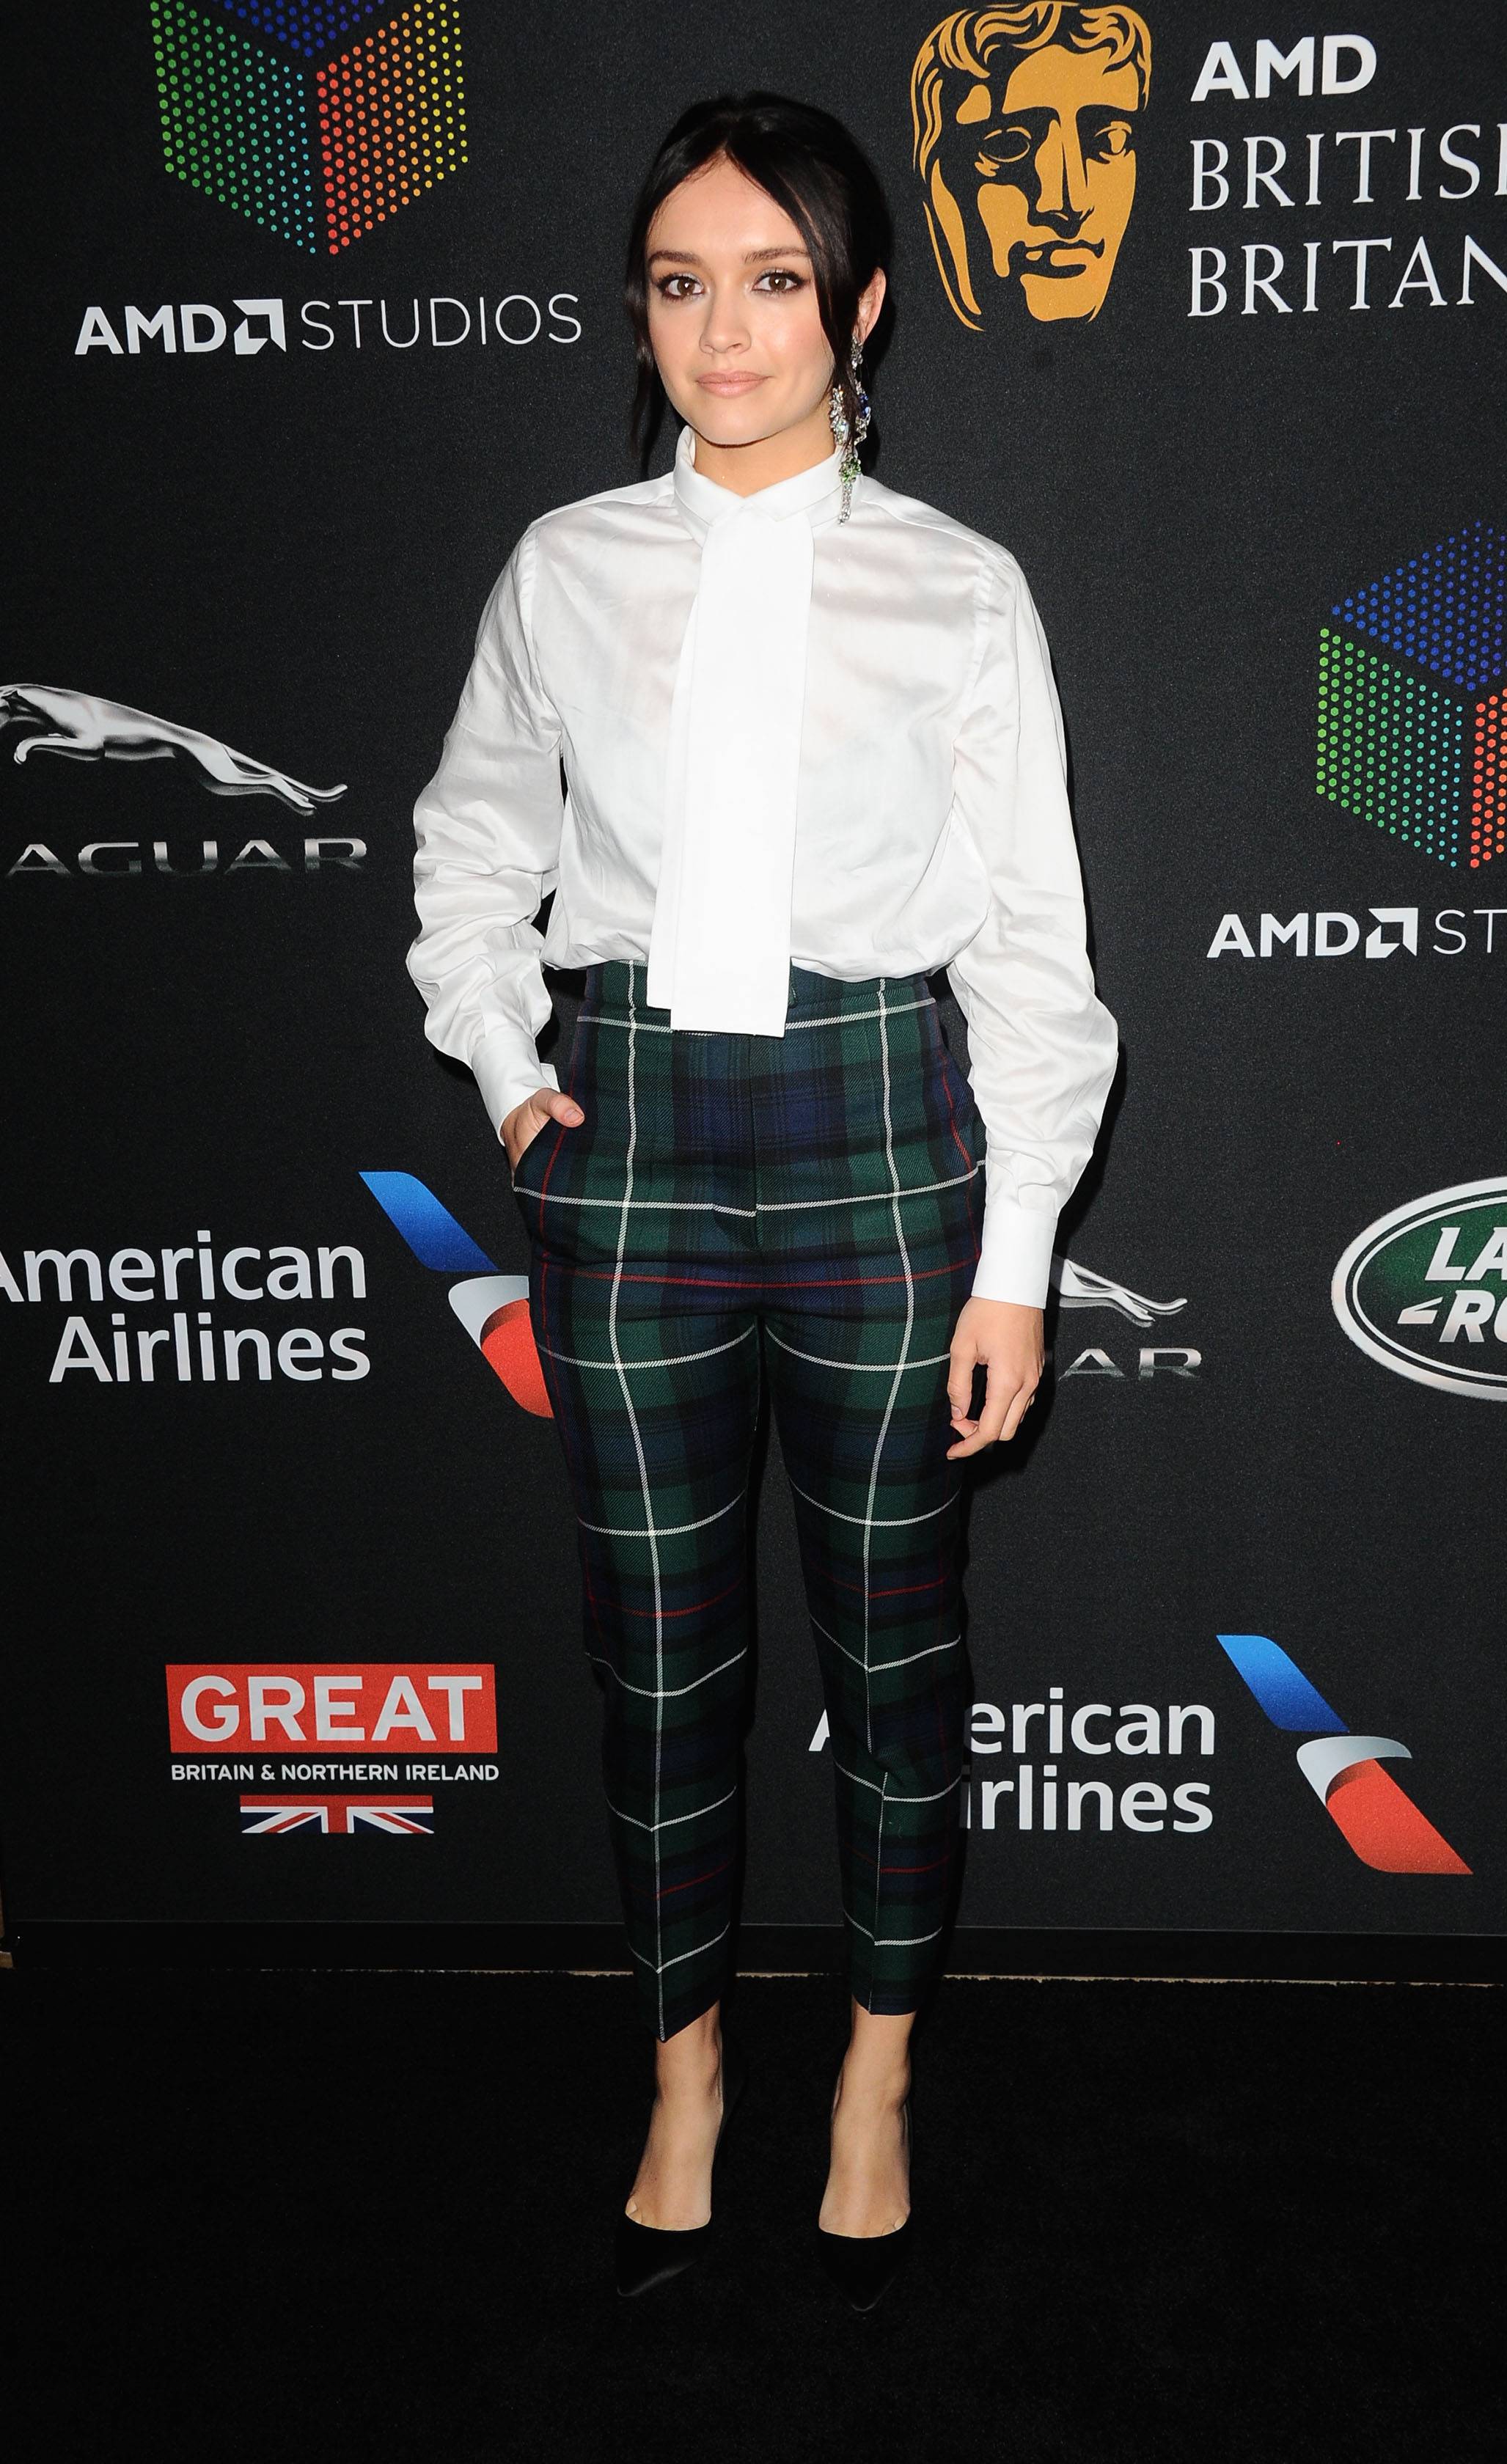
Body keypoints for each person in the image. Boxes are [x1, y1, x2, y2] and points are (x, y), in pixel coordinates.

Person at [406, 89, 1118, 2311]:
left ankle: (877, 2075)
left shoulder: (961, 587)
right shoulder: (564, 567)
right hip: (626, 1155)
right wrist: (514, 1076)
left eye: (776, 281)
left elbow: (1035, 943)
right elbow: (468, 851)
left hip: (886, 1144)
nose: (727, 333)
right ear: (641, 310)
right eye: (682, 284)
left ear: (861, 306)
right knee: (656, 1657)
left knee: (899, 1646)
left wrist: (1019, 1257)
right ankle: (687, 2071)